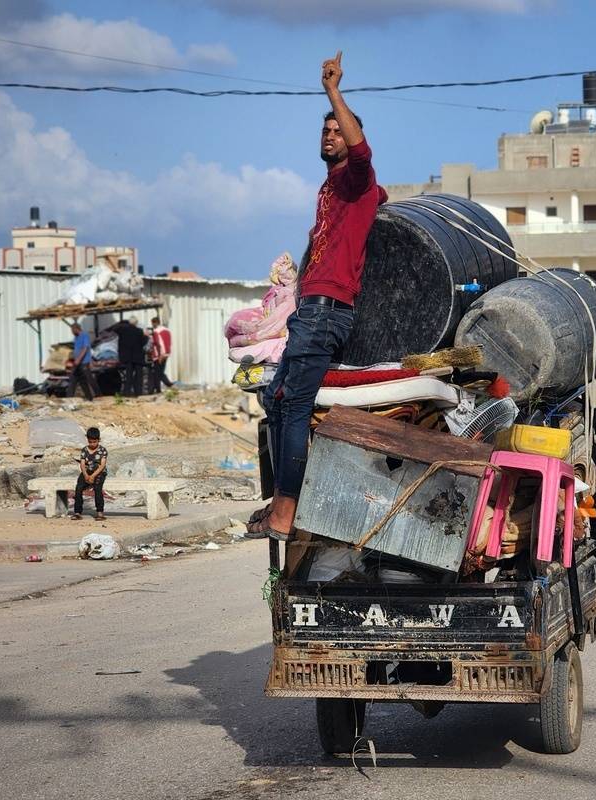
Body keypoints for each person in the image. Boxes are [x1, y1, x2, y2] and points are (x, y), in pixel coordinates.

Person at [248, 51, 387, 541]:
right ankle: (288, 499)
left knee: (294, 403)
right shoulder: (331, 190)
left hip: (327, 313)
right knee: (277, 399)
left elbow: (364, 157)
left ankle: (286, 512)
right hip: (311, 312)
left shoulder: (356, 180)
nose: (328, 135)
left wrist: (332, 91)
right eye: (323, 130)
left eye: (336, 130)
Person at [71, 426, 108, 521]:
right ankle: (77, 512)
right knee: (78, 488)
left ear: (99, 440)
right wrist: (86, 475)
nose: (92, 444)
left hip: (99, 472)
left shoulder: (102, 451)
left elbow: (102, 465)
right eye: (90, 442)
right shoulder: (84, 450)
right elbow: (82, 464)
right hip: (87, 472)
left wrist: (93, 476)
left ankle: (100, 512)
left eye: (94, 442)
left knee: (98, 489)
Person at [113, 316, 147, 397]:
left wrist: (123, 323)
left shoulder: (123, 330)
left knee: (128, 376)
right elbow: (143, 343)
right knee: (138, 377)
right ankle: (138, 393)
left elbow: (114, 329)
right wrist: (146, 336)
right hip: (138, 357)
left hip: (127, 358)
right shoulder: (139, 331)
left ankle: (127, 393)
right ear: (136, 323)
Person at [67, 322, 95, 401]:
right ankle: (69, 398)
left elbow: (85, 348)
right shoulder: (76, 338)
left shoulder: (84, 335)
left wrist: (79, 359)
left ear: (76, 329)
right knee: (75, 380)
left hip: (84, 362)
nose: (72, 332)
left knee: (89, 380)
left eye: (72, 330)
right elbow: (77, 349)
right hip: (77, 363)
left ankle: (98, 396)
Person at [151, 316, 174, 392]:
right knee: (160, 371)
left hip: (159, 354)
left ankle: (165, 385)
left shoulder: (156, 331)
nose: (152, 325)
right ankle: (159, 387)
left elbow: (159, 344)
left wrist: (161, 355)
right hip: (167, 353)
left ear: (155, 323)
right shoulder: (167, 330)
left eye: (152, 323)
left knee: (157, 372)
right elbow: (169, 342)